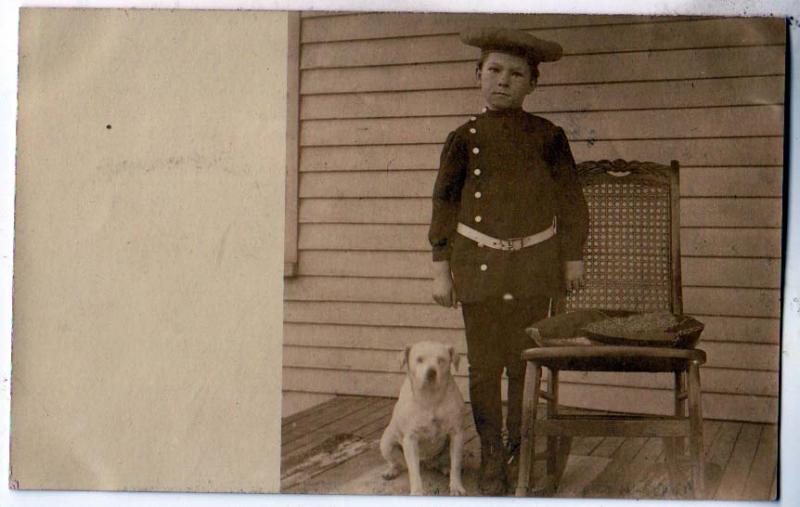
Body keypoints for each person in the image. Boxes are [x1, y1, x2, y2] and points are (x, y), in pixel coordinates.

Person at [428, 27, 589, 496]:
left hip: (535, 266)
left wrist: (573, 257)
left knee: (524, 362)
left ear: (532, 84)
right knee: (482, 367)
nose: (503, 81)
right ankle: (493, 456)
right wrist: (441, 266)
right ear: (477, 74)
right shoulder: (463, 138)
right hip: (476, 265)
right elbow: (444, 203)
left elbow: (571, 201)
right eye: (494, 71)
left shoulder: (549, 137)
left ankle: (520, 450)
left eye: (516, 74)